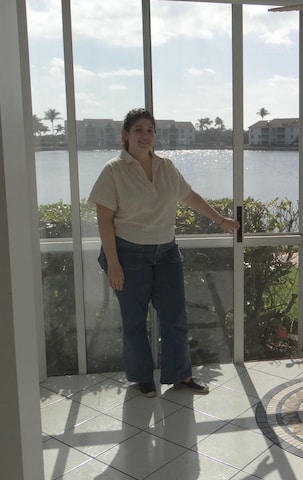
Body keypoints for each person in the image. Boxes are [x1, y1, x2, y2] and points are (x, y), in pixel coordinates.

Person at [89, 108, 239, 397]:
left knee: (175, 317)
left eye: (150, 130)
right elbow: (104, 220)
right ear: (125, 136)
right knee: (134, 320)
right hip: (128, 255)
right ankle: (142, 377)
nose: (145, 136)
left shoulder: (167, 167)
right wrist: (115, 265)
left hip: (167, 252)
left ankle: (180, 374)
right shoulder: (113, 171)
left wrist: (221, 220)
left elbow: (190, 196)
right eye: (138, 130)